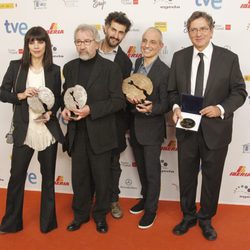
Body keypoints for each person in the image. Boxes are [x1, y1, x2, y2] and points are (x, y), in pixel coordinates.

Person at [168, 11, 247, 240]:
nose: (198, 33)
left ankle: (206, 219)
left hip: (216, 130)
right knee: (187, 176)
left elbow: (240, 92)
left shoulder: (228, 58)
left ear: (212, 30)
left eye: (203, 28)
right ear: (189, 32)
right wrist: (174, 108)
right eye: (193, 29)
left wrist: (220, 109)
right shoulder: (179, 57)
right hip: (187, 129)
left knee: (212, 178)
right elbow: (172, 91)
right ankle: (188, 216)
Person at [61, 24, 125, 234]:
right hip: (77, 134)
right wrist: (64, 110)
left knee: (102, 179)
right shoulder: (69, 68)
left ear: (97, 43)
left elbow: (118, 102)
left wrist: (91, 110)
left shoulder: (111, 68)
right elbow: (66, 97)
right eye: (78, 42)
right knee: (79, 178)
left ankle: (100, 217)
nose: (82, 46)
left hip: (101, 134)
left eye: (87, 41)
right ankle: (80, 216)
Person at [0, 26, 64, 234]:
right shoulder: (16, 66)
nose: (36, 46)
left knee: (48, 179)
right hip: (24, 130)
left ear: (46, 44)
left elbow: (59, 98)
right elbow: (2, 92)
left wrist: (51, 113)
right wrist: (21, 95)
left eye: (40, 41)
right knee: (16, 177)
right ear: (27, 45)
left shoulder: (54, 70)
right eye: (31, 41)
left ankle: (47, 223)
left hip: (47, 130)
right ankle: (11, 223)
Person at [127, 27, 170, 229]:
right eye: (145, 40)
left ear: (160, 46)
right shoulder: (137, 64)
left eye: (153, 42)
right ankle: (145, 199)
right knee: (142, 169)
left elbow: (166, 103)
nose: (147, 45)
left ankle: (151, 210)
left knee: (152, 172)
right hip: (135, 127)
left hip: (152, 129)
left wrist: (153, 108)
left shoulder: (165, 71)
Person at [98, 11, 132, 219]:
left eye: (121, 32)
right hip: (89, 119)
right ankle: (91, 200)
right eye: (113, 29)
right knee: (90, 162)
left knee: (113, 164)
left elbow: (124, 96)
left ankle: (112, 200)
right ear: (105, 27)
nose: (116, 35)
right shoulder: (89, 50)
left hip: (114, 123)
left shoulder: (125, 62)